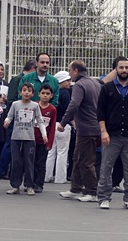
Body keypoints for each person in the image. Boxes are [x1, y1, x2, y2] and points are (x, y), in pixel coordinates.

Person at [95, 56, 128, 210]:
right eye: (121, 67)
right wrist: (103, 132)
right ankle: (104, 197)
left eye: (126, 67)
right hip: (111, 136)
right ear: (115, 69)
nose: (124, 70)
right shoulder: (107, 88)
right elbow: (100, 113)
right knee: (106, 168)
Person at [59, 60, 101, 201]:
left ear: (76, 71)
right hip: (93, 126)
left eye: (70, 71)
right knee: (77, 158)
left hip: (86, 128)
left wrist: (63, 122)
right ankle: (75, 188)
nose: (69, 74)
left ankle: (92, 192)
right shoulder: (95, 83)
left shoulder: (79, 84)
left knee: (86, 161)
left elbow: (74, 104)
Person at [4, 83, 44, 195]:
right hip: (16, 137)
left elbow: (40, 121)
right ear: (20, 92)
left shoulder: (35, 106)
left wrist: (44, 134)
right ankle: (15, 185)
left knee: (29, 162)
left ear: (33, 94)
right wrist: (7, 121)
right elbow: (10, 116)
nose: (26, 92)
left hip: (29, 138)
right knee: (16, 161)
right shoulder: (15, 104)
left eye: (29, 91)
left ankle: (29, 185)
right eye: (24, 90)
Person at [46, 71, 73, 184]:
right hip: (63, 125)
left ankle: (47, 176)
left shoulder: (53, 94)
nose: (69, 82)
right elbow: (68, 109)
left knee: (51, 152)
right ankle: (60, 178)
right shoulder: (65, 93)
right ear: (61, 82)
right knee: (62, 152)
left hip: (53, 124)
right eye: (67, 80)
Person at [33, 83, 57, 193]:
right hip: (32, 140)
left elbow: (52, 127)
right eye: (43, 93)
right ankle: (30, 182)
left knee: (41, 163)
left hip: (43, 141)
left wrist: (49, 143)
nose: (45, 95)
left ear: (51, 95)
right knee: (31, 162)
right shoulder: (34, 106)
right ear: (39, 94)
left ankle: (39, 184)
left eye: (48, 93)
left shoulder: (52, 109)